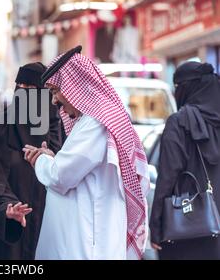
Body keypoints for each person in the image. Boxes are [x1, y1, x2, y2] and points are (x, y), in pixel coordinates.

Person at [23, 46, 150, 260]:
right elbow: (76, 167)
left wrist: (42, 160)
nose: (54, 101)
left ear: (75, 86)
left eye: (55, 91)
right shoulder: (93, 122)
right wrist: (53, 159)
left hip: (86, 244)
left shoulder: (95, 124)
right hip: (87, 238)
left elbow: (59, 176)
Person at [0, 63, 62, 260]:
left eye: (32, 89)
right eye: (21, 87)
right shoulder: (0, 126)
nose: (25, 94)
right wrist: (7, 208)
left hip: (50, 229)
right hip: (8, 235)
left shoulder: (61, 131)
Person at [150, 61, 220, 259]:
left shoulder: (178, 123)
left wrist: (156, 227)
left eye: (177, 88)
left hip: (189, 229)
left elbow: (167, 178)